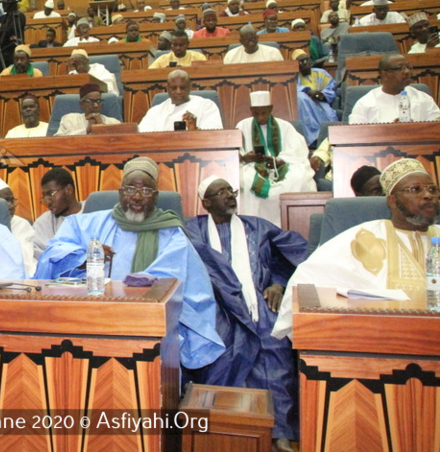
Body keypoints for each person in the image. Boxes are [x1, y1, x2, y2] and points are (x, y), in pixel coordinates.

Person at [35, 157, 225, 369]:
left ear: (156, 197)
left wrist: (124, 298)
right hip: (86, 323)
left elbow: (178, 282)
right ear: (119, 193)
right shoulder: (86, 223)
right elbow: (52, 253)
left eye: (145, 191)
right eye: (129, 189)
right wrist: (82, 259)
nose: (136, 197)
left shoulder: (171, 233)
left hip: (145, 330)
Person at [183, 175, 306, 450]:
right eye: (220, 192)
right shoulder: (192, 230)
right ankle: (220, 432)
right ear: (206, 203)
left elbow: (292, 255)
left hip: (258, 304)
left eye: (231, 190)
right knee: (217, 348)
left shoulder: (258, 226)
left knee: (274, 344)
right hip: (214, 307)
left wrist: (279, 284)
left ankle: (279, 431)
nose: (229, 195)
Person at [274, 158, 439, 339]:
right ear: (391, 200)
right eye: (415, 189)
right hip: (378, 337)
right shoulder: (362, 236)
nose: (427, 195)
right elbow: (305, 282)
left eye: (432, 189)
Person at [237, 91, 317, 225]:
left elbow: (298, 151)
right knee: (246, 179)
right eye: (256, 113)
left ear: (270, 109)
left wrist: (279, 160)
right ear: (251, 110)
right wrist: (246, 158)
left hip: (282, 165)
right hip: (252, 167)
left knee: (298, 177)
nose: (260, 117)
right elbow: (235, 153)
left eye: (264, 113)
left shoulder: (285, 126)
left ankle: (291, 223)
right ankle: (255, 226)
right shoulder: (242, 126)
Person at [349, 54, 440, 124]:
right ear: (385, 75)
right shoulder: (365, 103)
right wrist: (391, 131)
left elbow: (436, 127)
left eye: (409, 67)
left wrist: (414, 129)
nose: (407, 72)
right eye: (401, 68)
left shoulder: (423, 98)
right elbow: (354, 136)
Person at [0, 176, 38, 276]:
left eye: (12, 200)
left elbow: (24, 259)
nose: (10, 206)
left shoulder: (21, 224)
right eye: (4, 202)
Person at [139, 69, 223, 132]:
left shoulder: (206, 105)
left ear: (190, 87)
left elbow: (215, 137)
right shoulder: (155, 111)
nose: (178, 92)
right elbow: (142, 136)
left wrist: (195, 129)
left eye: (183, 88)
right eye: (173, 88)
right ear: (167, 88)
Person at [32, 167, 85, 259]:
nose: (47, 201)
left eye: (51, 194)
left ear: (69, 190)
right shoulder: (42, 223)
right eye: (44, 196)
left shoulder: (92, 212)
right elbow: (42, 259)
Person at [292, 49, 338, 146]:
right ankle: (313, 139)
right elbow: (293, 91)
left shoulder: (321, 73)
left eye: (306, 60)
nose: (305, 63)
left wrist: (320, 95)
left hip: (321, 104)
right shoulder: (294, 77)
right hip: (304, 107)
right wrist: (308, 91)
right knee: (301, 98)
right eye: (301, 62)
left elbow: (331, 89)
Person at [55, 82, 120, 136]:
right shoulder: (69, 119)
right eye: (91, 101)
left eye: (98, 101)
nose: (96, 105)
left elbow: (120, 142)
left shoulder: (113, 122)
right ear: (82, 104)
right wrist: (87, 130)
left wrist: (102, 127)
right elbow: (57, 141)